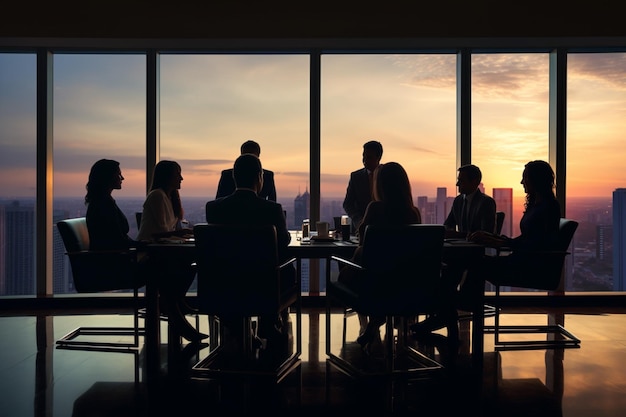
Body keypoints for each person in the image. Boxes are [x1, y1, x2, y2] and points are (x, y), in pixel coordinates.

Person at [206, 153, 295, 353]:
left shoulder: (214, 208)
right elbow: (282, 243)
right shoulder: (272, 209)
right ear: (259, 177)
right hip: (263, 286)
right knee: (287, 270)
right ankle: (268, 321)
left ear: (234, 178)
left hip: (224, 286)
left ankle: (236, 327)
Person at [337, 162, 423, 353]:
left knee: (352, 271)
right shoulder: (413, 213)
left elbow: (364, 243)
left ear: (380, 185)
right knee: (388, 280)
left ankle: (377, 318)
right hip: (405, 285)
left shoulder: (375, 209)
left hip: (373, 284)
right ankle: (378, 320)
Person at [462, 160, 561, 309]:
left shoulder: (549, 208)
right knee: (472, 261)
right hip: (522, 262)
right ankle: (459, 305)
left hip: (530, 267)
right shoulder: (538, 205)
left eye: (525, 177)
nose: (522, 182)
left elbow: (537, 243)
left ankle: (456, 305)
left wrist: (503, 243)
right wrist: (498, 239)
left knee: (474, 263)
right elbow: (529, 239)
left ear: (536, 179)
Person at [138, 160, 207, 343]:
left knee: (190, 266)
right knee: (186, 265)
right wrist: (180, 232)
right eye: (178, 174)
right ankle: (173, 306)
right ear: (168, 176)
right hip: (151, 253)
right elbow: (160, 231)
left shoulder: (168, 197)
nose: (181, 178)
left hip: (161, 251)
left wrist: (180, 232)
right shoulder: (157, 196)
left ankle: (173, 303)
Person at [84, 159, 147, 287]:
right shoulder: (104, 205)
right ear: (107, 178)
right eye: (119, 174)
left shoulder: (101, 202)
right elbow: (118, 240)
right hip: (114, 266)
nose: (122, 178)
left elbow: (117, 238)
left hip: (111, 262)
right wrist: (145, 246)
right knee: (166, 264)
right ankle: (170, 305)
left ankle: (169, 305)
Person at [443, 164, 497, 239]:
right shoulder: (458, 201)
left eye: (461, 180)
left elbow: (486, 234)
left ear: (474, 182)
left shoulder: (486, 202)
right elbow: (448, 224)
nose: (457, 184)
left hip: (476, 249)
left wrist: (459, 235)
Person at [342, 140, 383, 235]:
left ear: (378, 157)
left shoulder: (386, 175)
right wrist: (359, 221)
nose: (364, 160)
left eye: (368, 157)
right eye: (363, 156)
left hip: (383, 228)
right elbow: (348, 204)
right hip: (359, 230)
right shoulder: (356, 177)